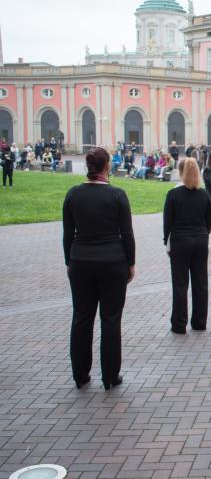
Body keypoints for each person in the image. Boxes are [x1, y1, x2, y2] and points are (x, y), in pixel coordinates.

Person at [63, 148, 135, 391]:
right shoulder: (117, 195)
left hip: (81, 260)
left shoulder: (73, 194)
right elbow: (127, 234)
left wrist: (68, 261)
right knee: (111, 319)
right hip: (113, 261)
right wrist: (131, 262)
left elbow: (67, 234)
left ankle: (80, 375)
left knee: (82, 317)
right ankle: (110, 376)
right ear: (106, 168)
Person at [163, 158, 211, 334]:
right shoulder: (204, 194)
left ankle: (179, 323)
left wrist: (166, 243)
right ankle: (199, 321)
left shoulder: (173, 195)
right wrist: (203, 234)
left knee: (180, 283)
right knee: (200, 282)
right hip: (200, 239)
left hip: (180, 241)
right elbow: (209, 221)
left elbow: (167, 222)